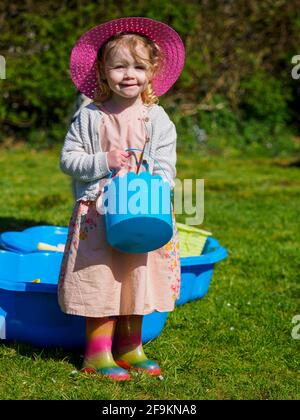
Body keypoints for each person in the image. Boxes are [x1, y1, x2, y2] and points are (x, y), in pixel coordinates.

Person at [58, 16, 185, 381]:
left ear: (152, 72)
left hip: (143, 211)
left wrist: (150, 180)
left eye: (138, 67)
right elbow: (69, 160)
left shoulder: (156, 119)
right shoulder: (89, 118)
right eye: (119, 66)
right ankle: (98, 354)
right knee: (101, 279)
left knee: (136, 277)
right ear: (103, 71)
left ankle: (131, 348)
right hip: (99, 215)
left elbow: (166, 168)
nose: (129, 75)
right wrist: (103, 161)